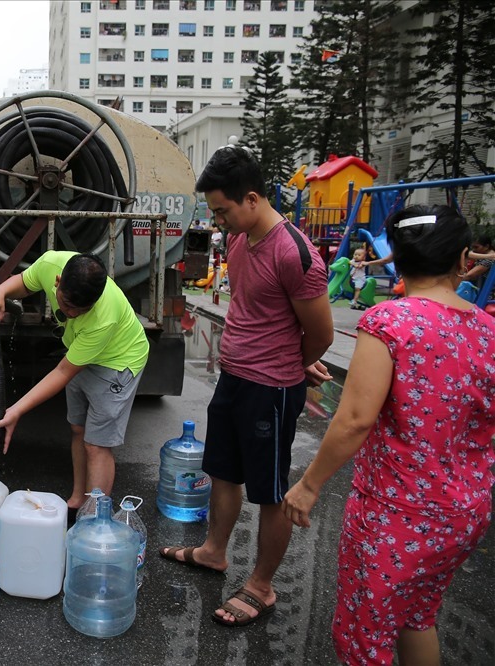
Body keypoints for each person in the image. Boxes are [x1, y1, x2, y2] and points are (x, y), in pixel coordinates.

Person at [282, 205, 494, 666]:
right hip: (465, 512)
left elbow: (355, 418)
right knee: (419, 616)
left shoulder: (389, 323)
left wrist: (309, 484)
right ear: (463, 259)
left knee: (365, 636)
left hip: (396, 514)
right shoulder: (488, 330)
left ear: (396, 258)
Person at [159, 145, 334, 627]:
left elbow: (322, 334)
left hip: (270, 390)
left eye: (222, 210)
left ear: (252, 199)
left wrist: (296, 362)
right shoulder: (240, 238)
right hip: (234, 377)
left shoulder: (295, 253)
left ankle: (261, 585)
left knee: (270, 491)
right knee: (223, 472)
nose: (218, 221)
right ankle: (214, 551)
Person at [0, 251, 150, 514]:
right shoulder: (50, 264)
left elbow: (62, 372)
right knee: (78, 429)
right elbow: (25, 282)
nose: (71, 313)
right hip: (80, 352)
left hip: (117, 361)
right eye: (67, 304)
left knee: (97, 444)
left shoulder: (104, 317)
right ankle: (77, 501)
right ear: (57, 281)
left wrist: (16, 411)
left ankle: (94, 520)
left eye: (82, 310)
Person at [348, 246, 369, 310]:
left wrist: (354, 265)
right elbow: (349, 262)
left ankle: (354, 300)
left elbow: (359, 266)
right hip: (352, 278)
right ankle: (352, 299)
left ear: (364, 257)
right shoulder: (353, 261)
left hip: (360, 279)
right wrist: (353, 263)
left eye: (359, 255)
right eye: (355, 254)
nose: (356, 256)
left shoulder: (363, 262)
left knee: (357, 289)